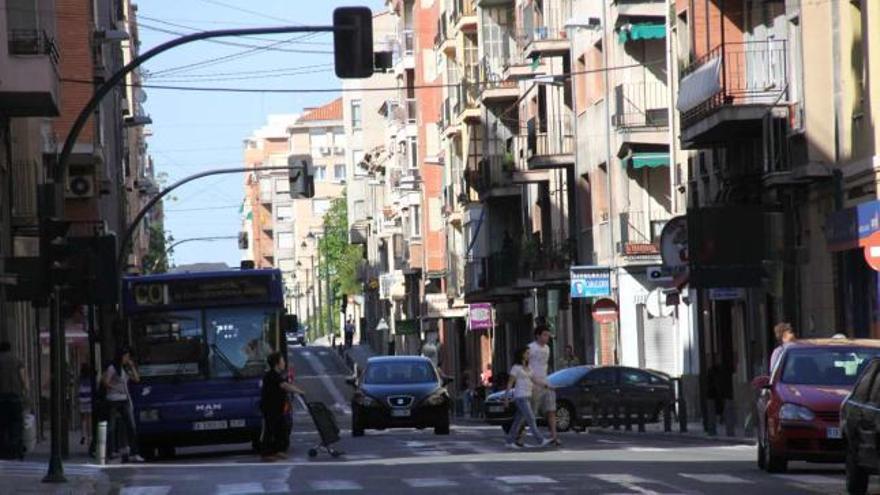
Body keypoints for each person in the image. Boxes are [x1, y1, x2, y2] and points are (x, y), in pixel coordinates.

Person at [504, 346, 553, 448]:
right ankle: (541, 440)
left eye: (528, 353)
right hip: (520, 397)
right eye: (527, 353)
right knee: (531, 418)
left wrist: (545, 385)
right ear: (521, 355)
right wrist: (506, 398)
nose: (528, 355)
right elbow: (510, 383)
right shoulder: (515, 368)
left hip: (528, 396)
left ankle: (509, 441)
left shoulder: (528, 367)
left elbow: (534, 380)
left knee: (518, 421)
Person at [260, 352, 305, 462]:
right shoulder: (271, 375)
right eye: (282, 361)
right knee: (270, 430)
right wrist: (300, 391)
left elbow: (285, 384)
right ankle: (266, 453)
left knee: (281, 429)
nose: (284, 363)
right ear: (276, 364)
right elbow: (285, 386)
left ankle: (278, 450)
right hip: (270, 408)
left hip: (277, 408)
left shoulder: (277, 375)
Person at [102, 347, 142, 463]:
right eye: (126, 356)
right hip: (113, 399)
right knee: (112, 427)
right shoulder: (112, 368)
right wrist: (115, 388)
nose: (127, 359)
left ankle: (134, 452)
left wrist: (132, 366)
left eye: (128, 357)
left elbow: (137, 379)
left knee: (131, 425)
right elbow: (105, 381)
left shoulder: (125, 369)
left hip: (124, 399)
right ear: (121, 356)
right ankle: (111, 452)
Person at [529, 324, 560, 445]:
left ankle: (554, 436)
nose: (547, 337)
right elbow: (526, 366)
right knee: (530, 413)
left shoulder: (547, 348)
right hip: (534, 384)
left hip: (546, 382)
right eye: (545, 335)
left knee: (551, 410)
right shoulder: (531, 348)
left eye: (548, 335)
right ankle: (519, 436)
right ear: (538, 336)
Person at [0, 341, 28, 459]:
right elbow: (23, 378)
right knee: (16, 424)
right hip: (15, 397)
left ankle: (4, 450)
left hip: (1, 397)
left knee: (2, 425)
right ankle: (15, 448)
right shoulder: (17, 360)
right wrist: (26, 390)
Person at [78, 363, 93, 447]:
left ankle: (83, 434)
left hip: (82, 398)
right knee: (89, 418)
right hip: (89, 398)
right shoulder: (90, 378)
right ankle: (89, 436)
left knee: (83, 418)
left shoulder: (80, 378)